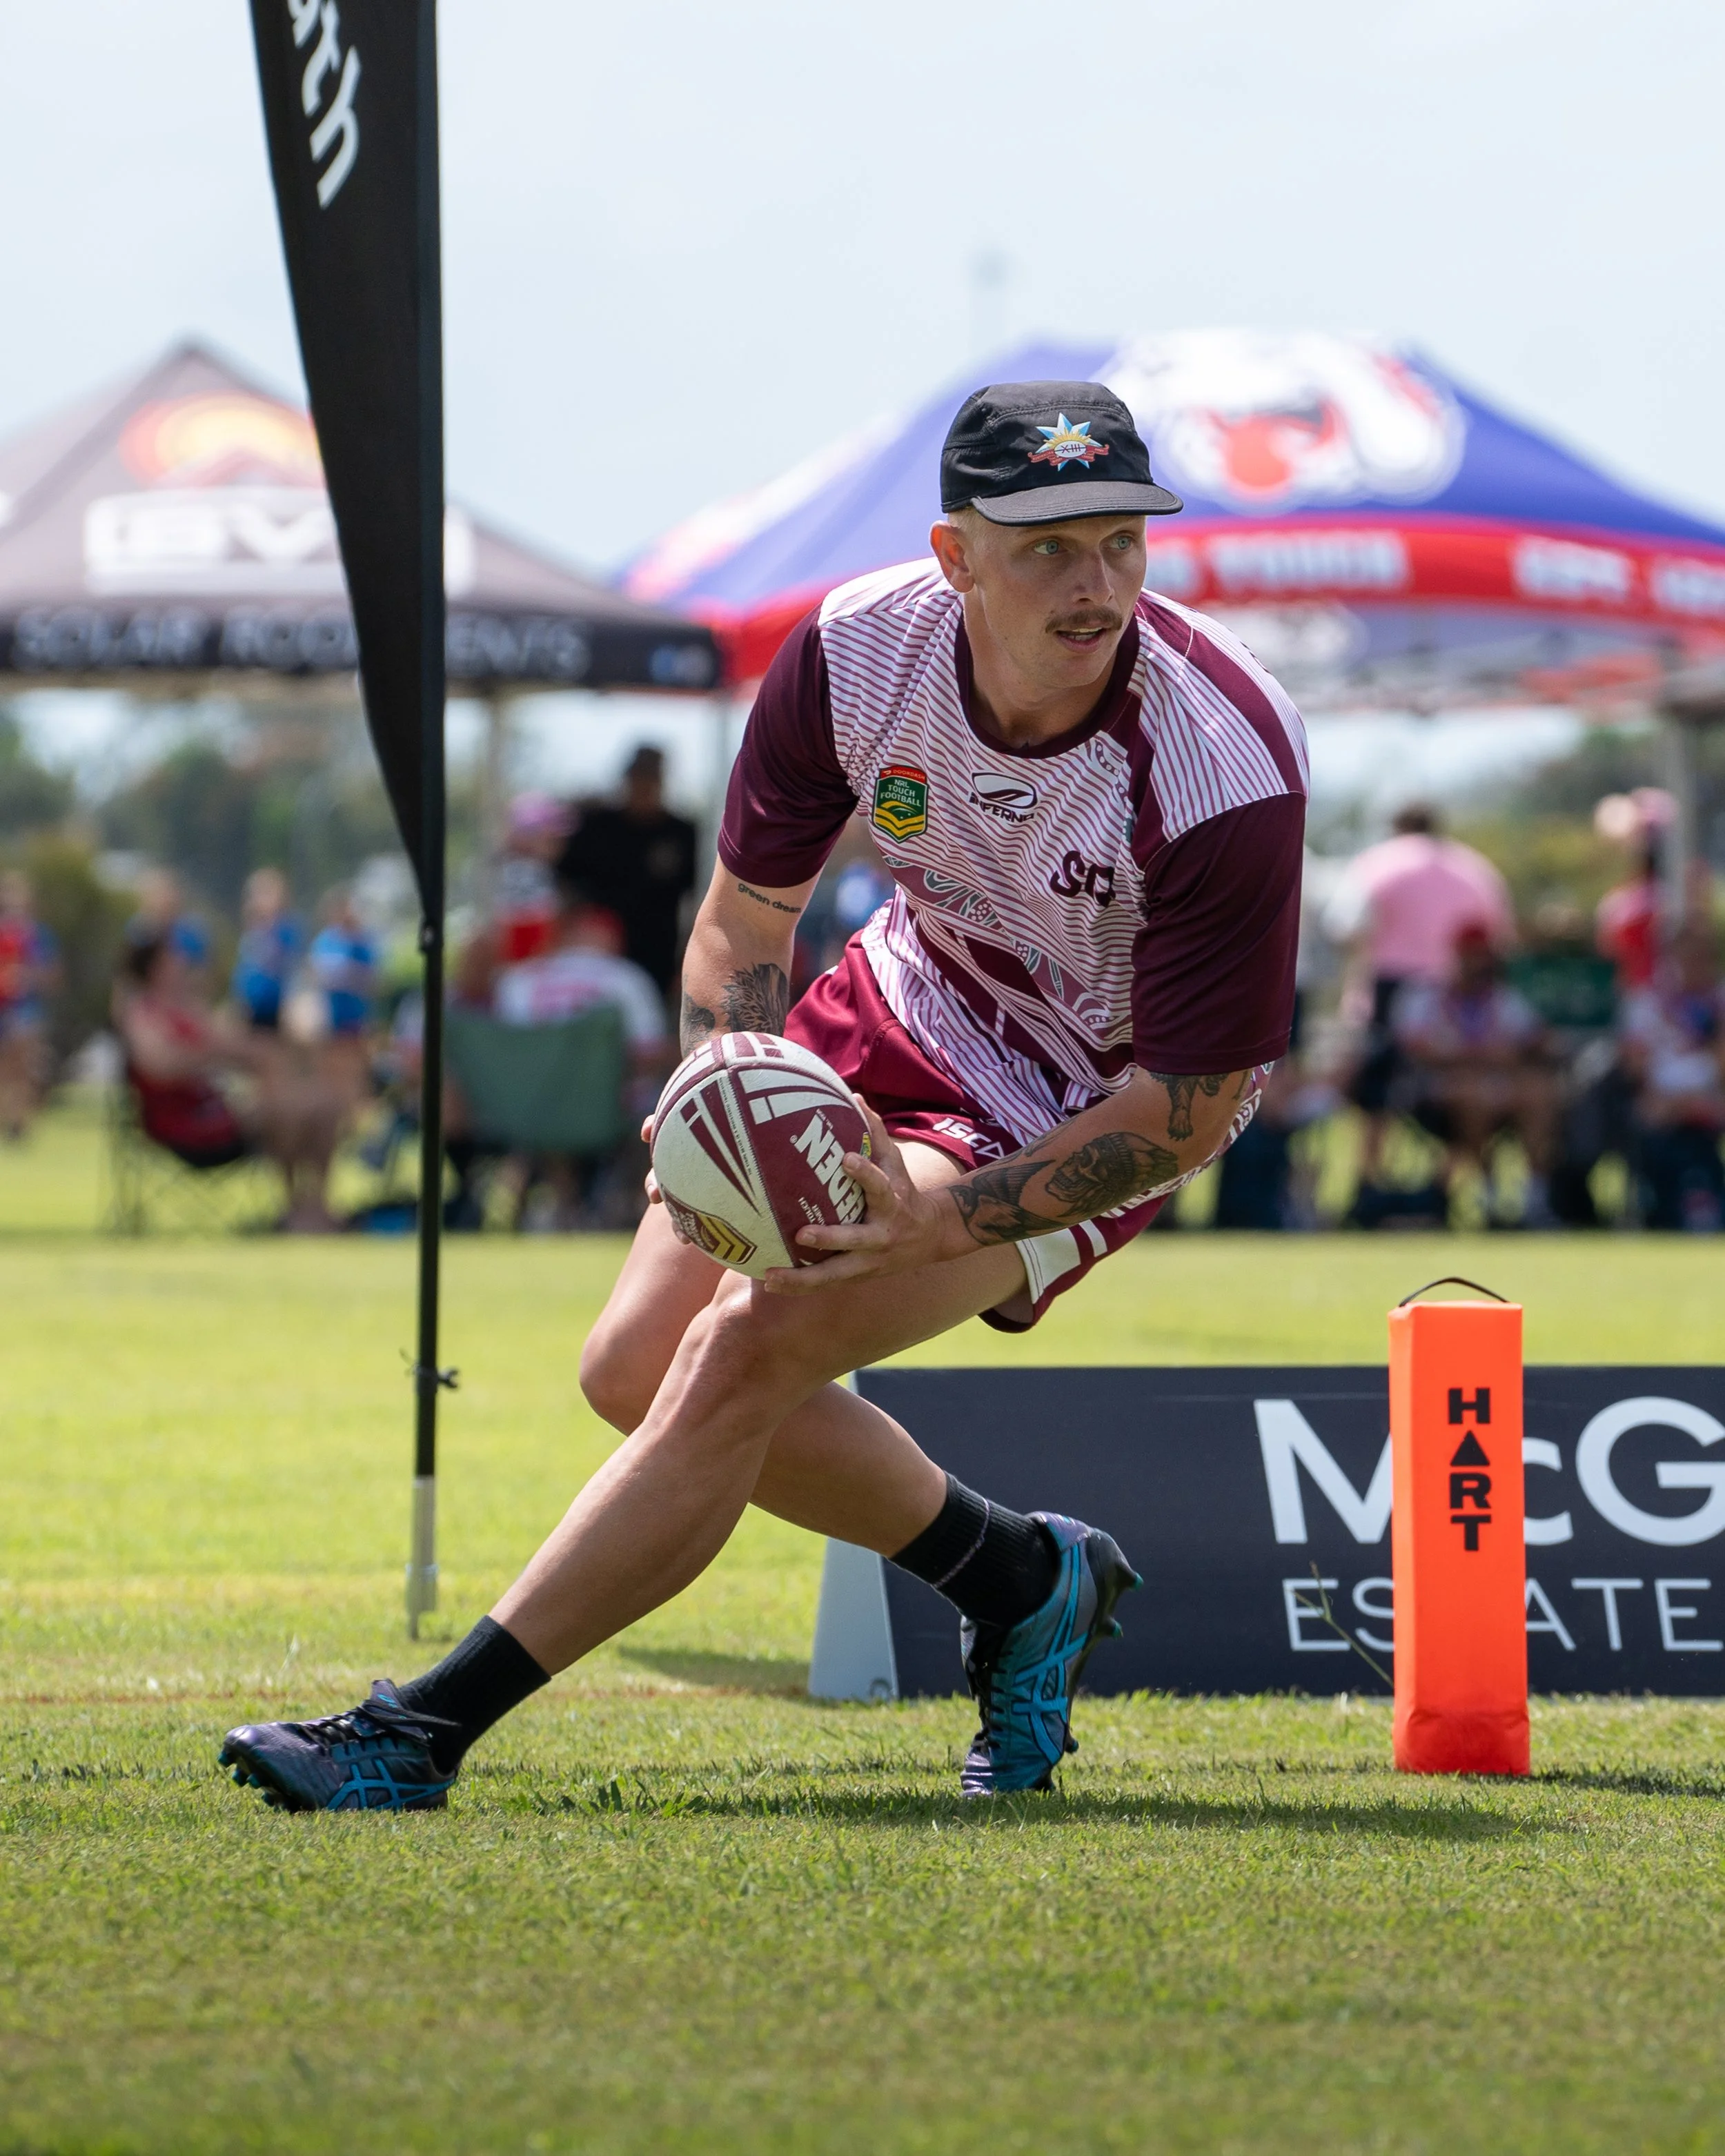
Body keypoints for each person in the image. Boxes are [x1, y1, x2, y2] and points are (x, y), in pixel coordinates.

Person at [219, 376, 1307, 1814]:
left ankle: (417, 1732)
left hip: (1077, 1106)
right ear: (952, 555)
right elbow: (740, 921)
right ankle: (1023, 1575)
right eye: (1044, 544)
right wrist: (731, 1075)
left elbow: (1184, 1113)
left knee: (741, 1352)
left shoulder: (1220, 758)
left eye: (1119, 539)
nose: (1092, 579)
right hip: (896, 998)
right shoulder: (855, 652)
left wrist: (945, 1219)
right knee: (627, 1366)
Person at [1325, 804, 1515, 1188]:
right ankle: (1443, 1187)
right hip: (1454, 988)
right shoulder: (1473, 868)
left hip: (1391, 987)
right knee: (1456, 1080)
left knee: (1378, 1091)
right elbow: (1502, 936)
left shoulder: (1378, 863)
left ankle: (1369, 1181)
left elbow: (1343, 927)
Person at [115, 930, 344, 1227]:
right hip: (184, 1126)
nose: (182, 962)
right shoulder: (141, 1014)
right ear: (155, 967)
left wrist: (268, 1050)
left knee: (324, 1107)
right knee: (283, 1112)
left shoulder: (188, 1008)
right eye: (173, 957)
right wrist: (207, 1056)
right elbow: (160, 1065)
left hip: (217, 1111)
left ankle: (317, 1206)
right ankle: (295, 1209)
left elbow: (230, 1045)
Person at [1394, 922, 1559, 1227]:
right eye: (1471, 956)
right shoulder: (1427, 994)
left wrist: (1516, 1052)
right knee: (1473, 1096)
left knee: (1538, 1094)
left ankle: (1534, 1199)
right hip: (1438, 1087)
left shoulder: (1501, 998)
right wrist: (1472, 1055)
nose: (1478, 965)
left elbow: (1538, 1037)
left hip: (1499, 1082)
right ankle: (1487, 1192)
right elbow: (1414, 1046)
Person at [494, 880, 673, 1114]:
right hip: (609, 1118)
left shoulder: (515, 981)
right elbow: (649, 1056)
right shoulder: (626, 978)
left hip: (529, 1115)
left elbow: (506, 1055)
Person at [555, 746, 698, 997]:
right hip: (596, 952)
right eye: (639, 775)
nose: (644, 785)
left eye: (652, 776)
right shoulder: (597, 826)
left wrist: (689, 961)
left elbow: (695, 900)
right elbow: (565, 884)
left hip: (657, 953)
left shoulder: (681, 833)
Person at [1619, 924, 1725, 1231]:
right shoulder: (1647, 1002)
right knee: (1652, 1117)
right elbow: (1636, 1068)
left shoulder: (1718, 1001)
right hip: (1659, 1099)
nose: (1694, 964)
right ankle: (1664, 1206)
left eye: (1701, 957)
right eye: (1686, 957)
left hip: (1712, 1094)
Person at [0, 870, 60, 1139]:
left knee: (23, 1067)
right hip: (4, 1008)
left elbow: (53, 976)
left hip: (27, 1009)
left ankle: (18, 1124)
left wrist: (28, 976)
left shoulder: (40, 936)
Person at [230, 868, 304, 1033]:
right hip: (251, 1002)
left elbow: (287, 964)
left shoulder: (286, 929)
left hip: (275, 1003)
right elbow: (246, 967)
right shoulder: (253, 930)